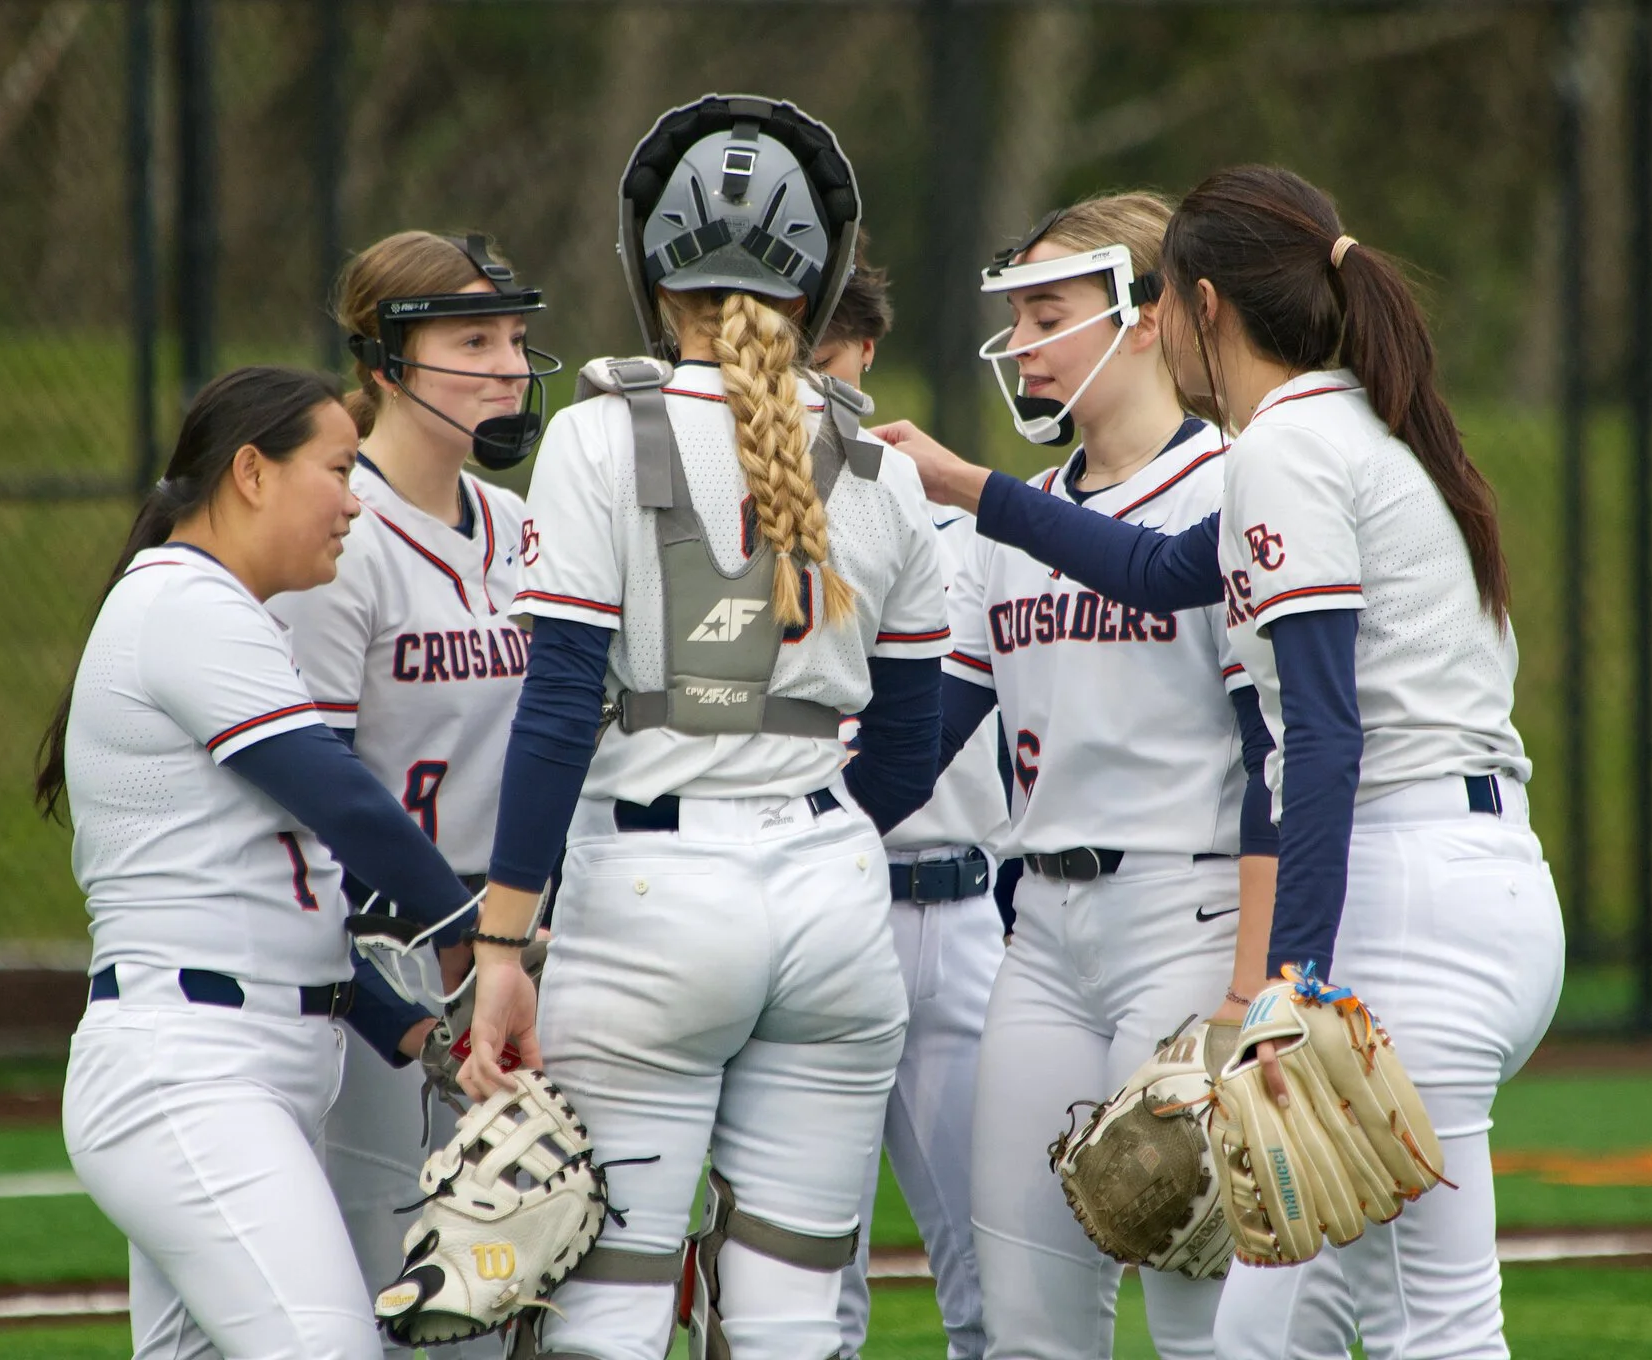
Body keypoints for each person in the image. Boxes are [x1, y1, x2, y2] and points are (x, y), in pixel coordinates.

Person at [880, 165, 1565, 1360]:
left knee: (1397, 1328)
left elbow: (1318, 738)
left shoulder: (1280, 447)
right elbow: (1154, 573)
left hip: (1403, 886)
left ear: (1197, 309)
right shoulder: (1347, 422)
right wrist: (973, 488)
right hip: (1473, 879)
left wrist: (1279, 988)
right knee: (1320, 1325)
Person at [460, 94, 950, 1360]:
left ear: (648, 267)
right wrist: (806, 828)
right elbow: (907, 745)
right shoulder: (884, 466)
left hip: (646, 888)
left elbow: (561, 702)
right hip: (833, 899)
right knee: (792, 1326)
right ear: (819, 279)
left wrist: (505, 943)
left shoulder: (590, 435)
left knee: (603, 1316)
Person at [39, 366, 486, 1360]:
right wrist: (476, 934)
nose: (354, 498)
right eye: (335, 467)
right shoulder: (183, 603)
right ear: (250, 471)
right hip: (191, 1069)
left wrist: (412, 1028)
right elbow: (340, 797)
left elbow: (290, 890)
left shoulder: (225, 610)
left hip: (235, 1056)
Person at [926, 193, 1276, 1360]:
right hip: (1037, 936)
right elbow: (928, 735)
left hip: (1189, 912)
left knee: (1202, 1314)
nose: (1019, 339)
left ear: (1145, 316)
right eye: (1014, 311)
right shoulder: (1000, 528)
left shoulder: (1229, 483)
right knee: (1025, 1321)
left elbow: (1276, 750)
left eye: (1047, 310)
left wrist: (1249, 985)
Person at [268, 229, 557, 1356]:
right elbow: (316, 789)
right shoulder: (344, 533)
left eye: (518, 339)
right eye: (472, 338)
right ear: (387, 361)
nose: (509, 365)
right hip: (387, 955)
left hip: (519, 946)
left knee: (515, 1285)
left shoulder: (528, 528)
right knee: (392, 1295)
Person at [811, 249, 1009, 1360]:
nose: (809, 386)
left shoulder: (951, 511)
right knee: (804, 1288)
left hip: (959, 907)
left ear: (868, 352)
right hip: (817, 903)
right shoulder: (716, 515)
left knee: (995, 1276)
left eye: (829, 360)